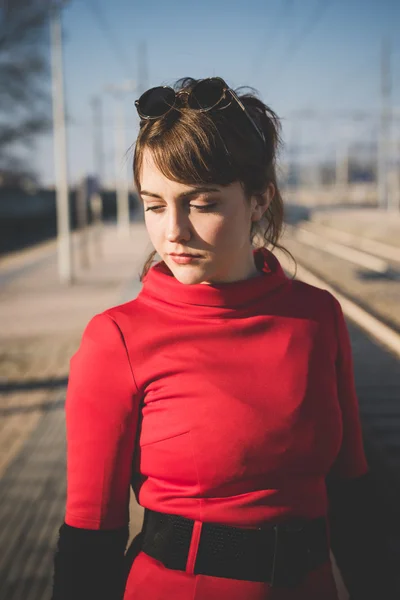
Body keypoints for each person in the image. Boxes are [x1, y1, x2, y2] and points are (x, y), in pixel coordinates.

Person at [51, 76, 396, 600]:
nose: (173, 231)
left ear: (260, 200)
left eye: (202, 203)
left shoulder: (318, 317)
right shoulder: (116, 340)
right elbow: (90, 537)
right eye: (154, 204)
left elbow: (352, 497)